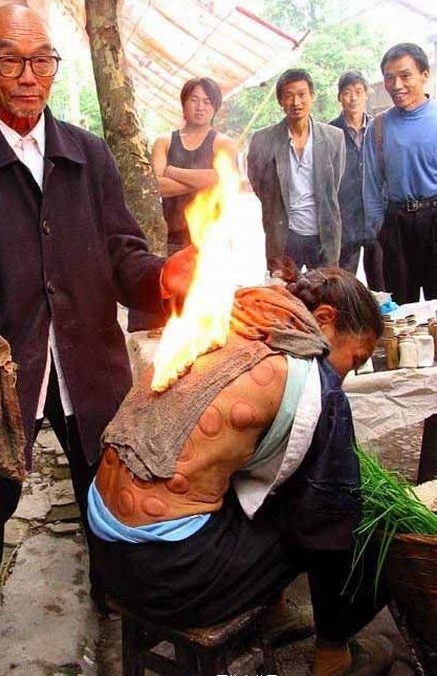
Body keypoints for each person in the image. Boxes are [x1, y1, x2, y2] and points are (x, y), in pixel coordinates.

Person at [0, 4, 192, 676]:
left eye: (42, 61)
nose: (28, 76)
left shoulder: (86, 153)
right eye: (10, 60)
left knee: (116, 489)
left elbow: (124, 254)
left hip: (89, 367)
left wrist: (168, 279)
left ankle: (116, 602)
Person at [88, 268, 391, 675]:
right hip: (170, 578)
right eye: (353, 359)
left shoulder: (228, 317)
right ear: (324, 319)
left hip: (105, 554)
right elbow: (328, 512)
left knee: (253, 485)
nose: (345, 375)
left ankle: (275, 612)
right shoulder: (308, 375)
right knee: (351, 518)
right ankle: (333, 657)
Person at [248, 69, 346, 272]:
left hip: (322, 235)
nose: (296, 102)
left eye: (302, 94)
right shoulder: (263, 139)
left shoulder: (334, 138)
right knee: (285, 296)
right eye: (288, 96)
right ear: (280, 101)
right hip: (284, 235)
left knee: (324, 296)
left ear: (312, 96)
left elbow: (333, 185)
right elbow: (259, 184)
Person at [364, 42, 437, 304]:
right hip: (396, 225)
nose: (397, 85)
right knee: (400, 305)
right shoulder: (379, 127)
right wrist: (378, 230)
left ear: (424, 75)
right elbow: (371, 183)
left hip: (434, 219)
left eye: (405, 76)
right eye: (389, 78)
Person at [152, 77, 237, 255]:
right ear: (184, 103)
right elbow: (156, 187)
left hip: (212, 238)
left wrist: (172, 171)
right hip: (171, 238)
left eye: (207, 102)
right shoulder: (164, 142)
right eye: (194, 100)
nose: (200, 107)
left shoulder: (224, 144)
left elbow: (224, 179)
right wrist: (205, 180)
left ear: (215, 107)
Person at [329, 71, 385, 289]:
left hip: (376, 221)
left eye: (358, 92)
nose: (353, 98)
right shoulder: (330, 132)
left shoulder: (378, 129)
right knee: (344, 287)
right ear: (339, 97)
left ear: (366, 94)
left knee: (382, 284)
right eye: (347, 93)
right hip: (344, 222)